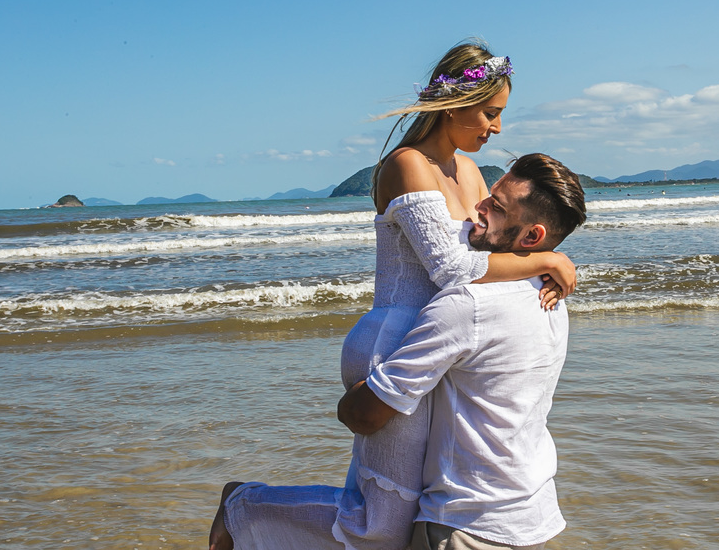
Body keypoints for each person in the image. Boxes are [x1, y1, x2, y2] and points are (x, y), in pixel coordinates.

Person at [210, 43, 577, 550]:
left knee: (402, 515)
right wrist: (546, 260)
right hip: (393, 339)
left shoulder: (470, 172)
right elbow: (452, 269)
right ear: (454, 105)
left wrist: (545, 257)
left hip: (441, 343)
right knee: (379, 526)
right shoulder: (408, 165)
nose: (496, 128)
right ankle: (243, 505)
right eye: (490, 113)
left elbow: (494, 247)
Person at [338, 153, 586, 549]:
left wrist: (352, 395)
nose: (477, 207)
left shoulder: (467, 305)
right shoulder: (551, 297)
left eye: (496, 207)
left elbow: (365, 416)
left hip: (466, 525)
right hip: (532, 515)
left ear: (532, 237)